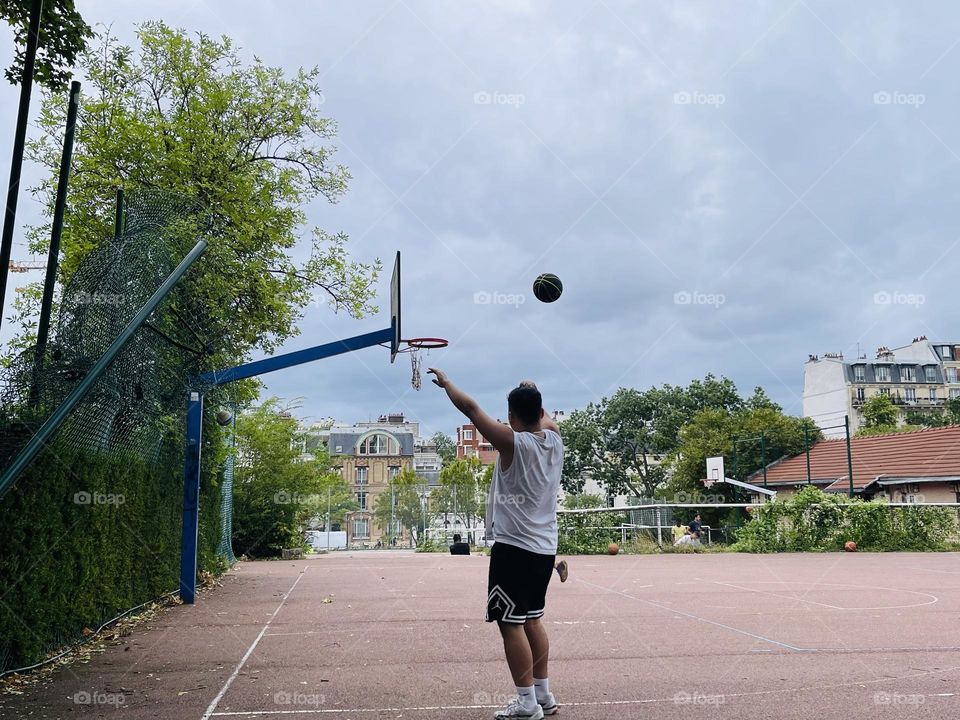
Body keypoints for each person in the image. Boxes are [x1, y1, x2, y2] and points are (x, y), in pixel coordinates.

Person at [430, 370, 562, 719]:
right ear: (540, 410)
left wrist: (447, 385)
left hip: (514, 549)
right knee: (533, 620)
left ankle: (526, 704)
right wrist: (531, 390)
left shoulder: (511, 442)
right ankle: (543, 696)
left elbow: (471, 408)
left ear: (512, 416)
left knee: (510, 624)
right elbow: (540, 414)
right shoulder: (555, 438)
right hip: (545, 548)